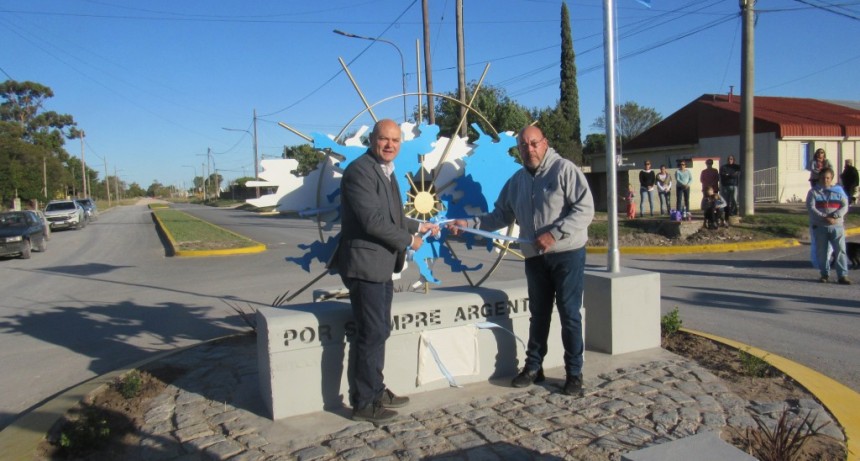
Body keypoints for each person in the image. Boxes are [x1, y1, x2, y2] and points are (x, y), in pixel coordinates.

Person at [448, 126, 594, 396]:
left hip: (567, 255)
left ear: (545, 143)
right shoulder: (517, 181)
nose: (530, 150)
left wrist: (554, 234)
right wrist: (467, 224)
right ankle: (533, 368)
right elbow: (499, 217)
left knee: (570, 315)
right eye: (524, 146)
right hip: (535, 258)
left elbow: (585, 210)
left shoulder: (564, 170)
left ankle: (574, 373)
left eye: (534, 143)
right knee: (538, 315)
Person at [331, 119, 440, 423]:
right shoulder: (360, 172)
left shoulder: (387, 173)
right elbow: (372, 222)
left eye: (395, 140)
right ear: (372, 140)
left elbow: (393, 216)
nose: (390, 145)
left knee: (380, 331)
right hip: (365, 266)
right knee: (370, 333)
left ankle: (376, 390)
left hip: (381, 267)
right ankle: (364, 402)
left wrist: (420, 225)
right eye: (384, 139)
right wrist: (410, 240)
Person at [806, 167, 851, 285]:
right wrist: (824, 216)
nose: (825, 180)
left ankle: (843, 275)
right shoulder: (813, 192)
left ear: (831, 179)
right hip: (820, 226)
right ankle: (824, 274)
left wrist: (835, 216)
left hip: (837, 226)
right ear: (819, 178)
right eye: (823, 178)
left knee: (840, 250)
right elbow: (811, 208)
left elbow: (845, 206)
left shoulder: (839, 191)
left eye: (828, 178)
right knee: (822, 251)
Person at [719, 155, 741, 220]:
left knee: (734, 199)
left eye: (731, 159)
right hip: (725, 186)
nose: (730, 160)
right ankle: (727, 212)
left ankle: (734, 212)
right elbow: (722, 175)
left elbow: (736, 174)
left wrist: (728, 175)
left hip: (734, 185)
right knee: (726, 200)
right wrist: (730, 175)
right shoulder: (723, 167)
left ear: (733, 160)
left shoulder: (736, 167)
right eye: (729, 159)